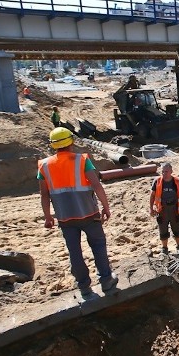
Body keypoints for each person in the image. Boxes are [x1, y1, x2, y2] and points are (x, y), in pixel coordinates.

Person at [38, 127, 117, 298]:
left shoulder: (44, 165)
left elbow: (44, 194)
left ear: (53, 145)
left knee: (75, 252)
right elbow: (96, 185)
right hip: (89, 214)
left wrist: (48, 216)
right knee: (98, 246)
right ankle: (106, 280)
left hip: (65, 218)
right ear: (71, 142)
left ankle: (84, 287)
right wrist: (106, 207)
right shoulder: (82, 160)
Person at [149, 162, 179, 254]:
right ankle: (164, 248)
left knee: (177, 228)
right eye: (163, 172)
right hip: (162, 210)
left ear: (171, 171)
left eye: (166, 171)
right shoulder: (157, 181)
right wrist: (151, 208)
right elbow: (152, 195)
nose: (164, 174)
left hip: (175, 210)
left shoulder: (177, 181)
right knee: (163, 229)